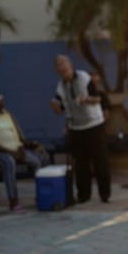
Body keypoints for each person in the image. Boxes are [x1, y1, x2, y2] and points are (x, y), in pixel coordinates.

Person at [0, 88, 49, 212]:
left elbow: (19, 136)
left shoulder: (7, 114)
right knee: (9, 162)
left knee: (39, 160)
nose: (2, 99)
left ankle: (41, 196)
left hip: (16, 149)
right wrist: (10, 152)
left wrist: (26, 145)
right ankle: (13, 202)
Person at [51, 55, 111, 204]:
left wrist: (86, 100)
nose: (62, 68)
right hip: (75, 127)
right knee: (81, 164)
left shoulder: (84, 77)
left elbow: (97, 98)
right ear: (57, 70)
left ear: (70, 65)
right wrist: (55, 107)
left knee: (100, 162)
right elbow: (60, 107)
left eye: (64, 64)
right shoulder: (60, 86)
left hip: (93, 125)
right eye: (58, 65)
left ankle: (105, 194)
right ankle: (84, 195)